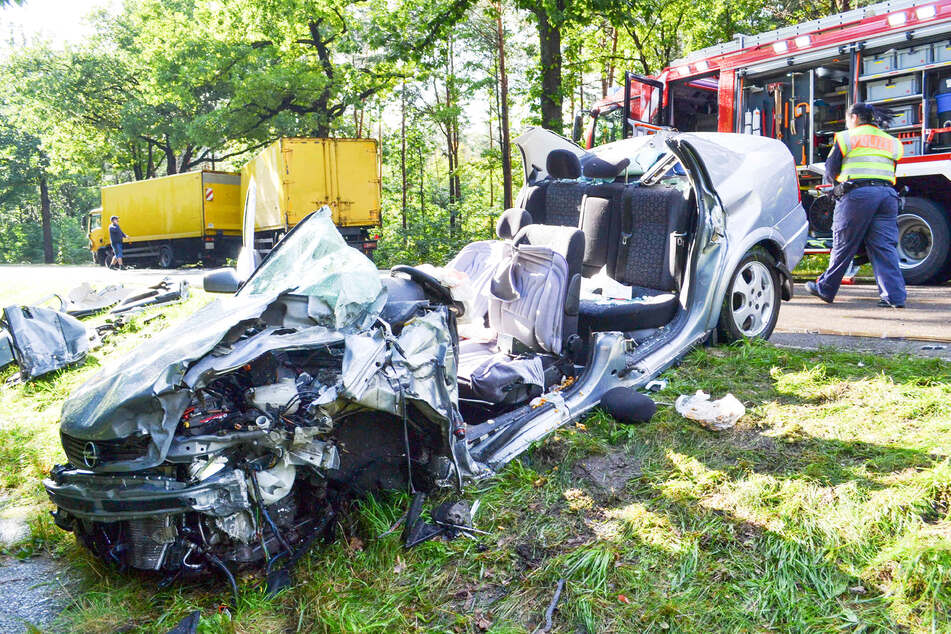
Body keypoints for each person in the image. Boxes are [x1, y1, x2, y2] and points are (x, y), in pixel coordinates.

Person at [806, 102, 907, 308]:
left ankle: (825, 288)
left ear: (854, 118)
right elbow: (891, 169)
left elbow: (831, 169)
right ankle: (894, 297)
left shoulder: (846, 137)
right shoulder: (891, 141)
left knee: (844, 243)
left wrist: (836, 190)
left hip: (858, 195)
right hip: (887, 195)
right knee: (884, 247)